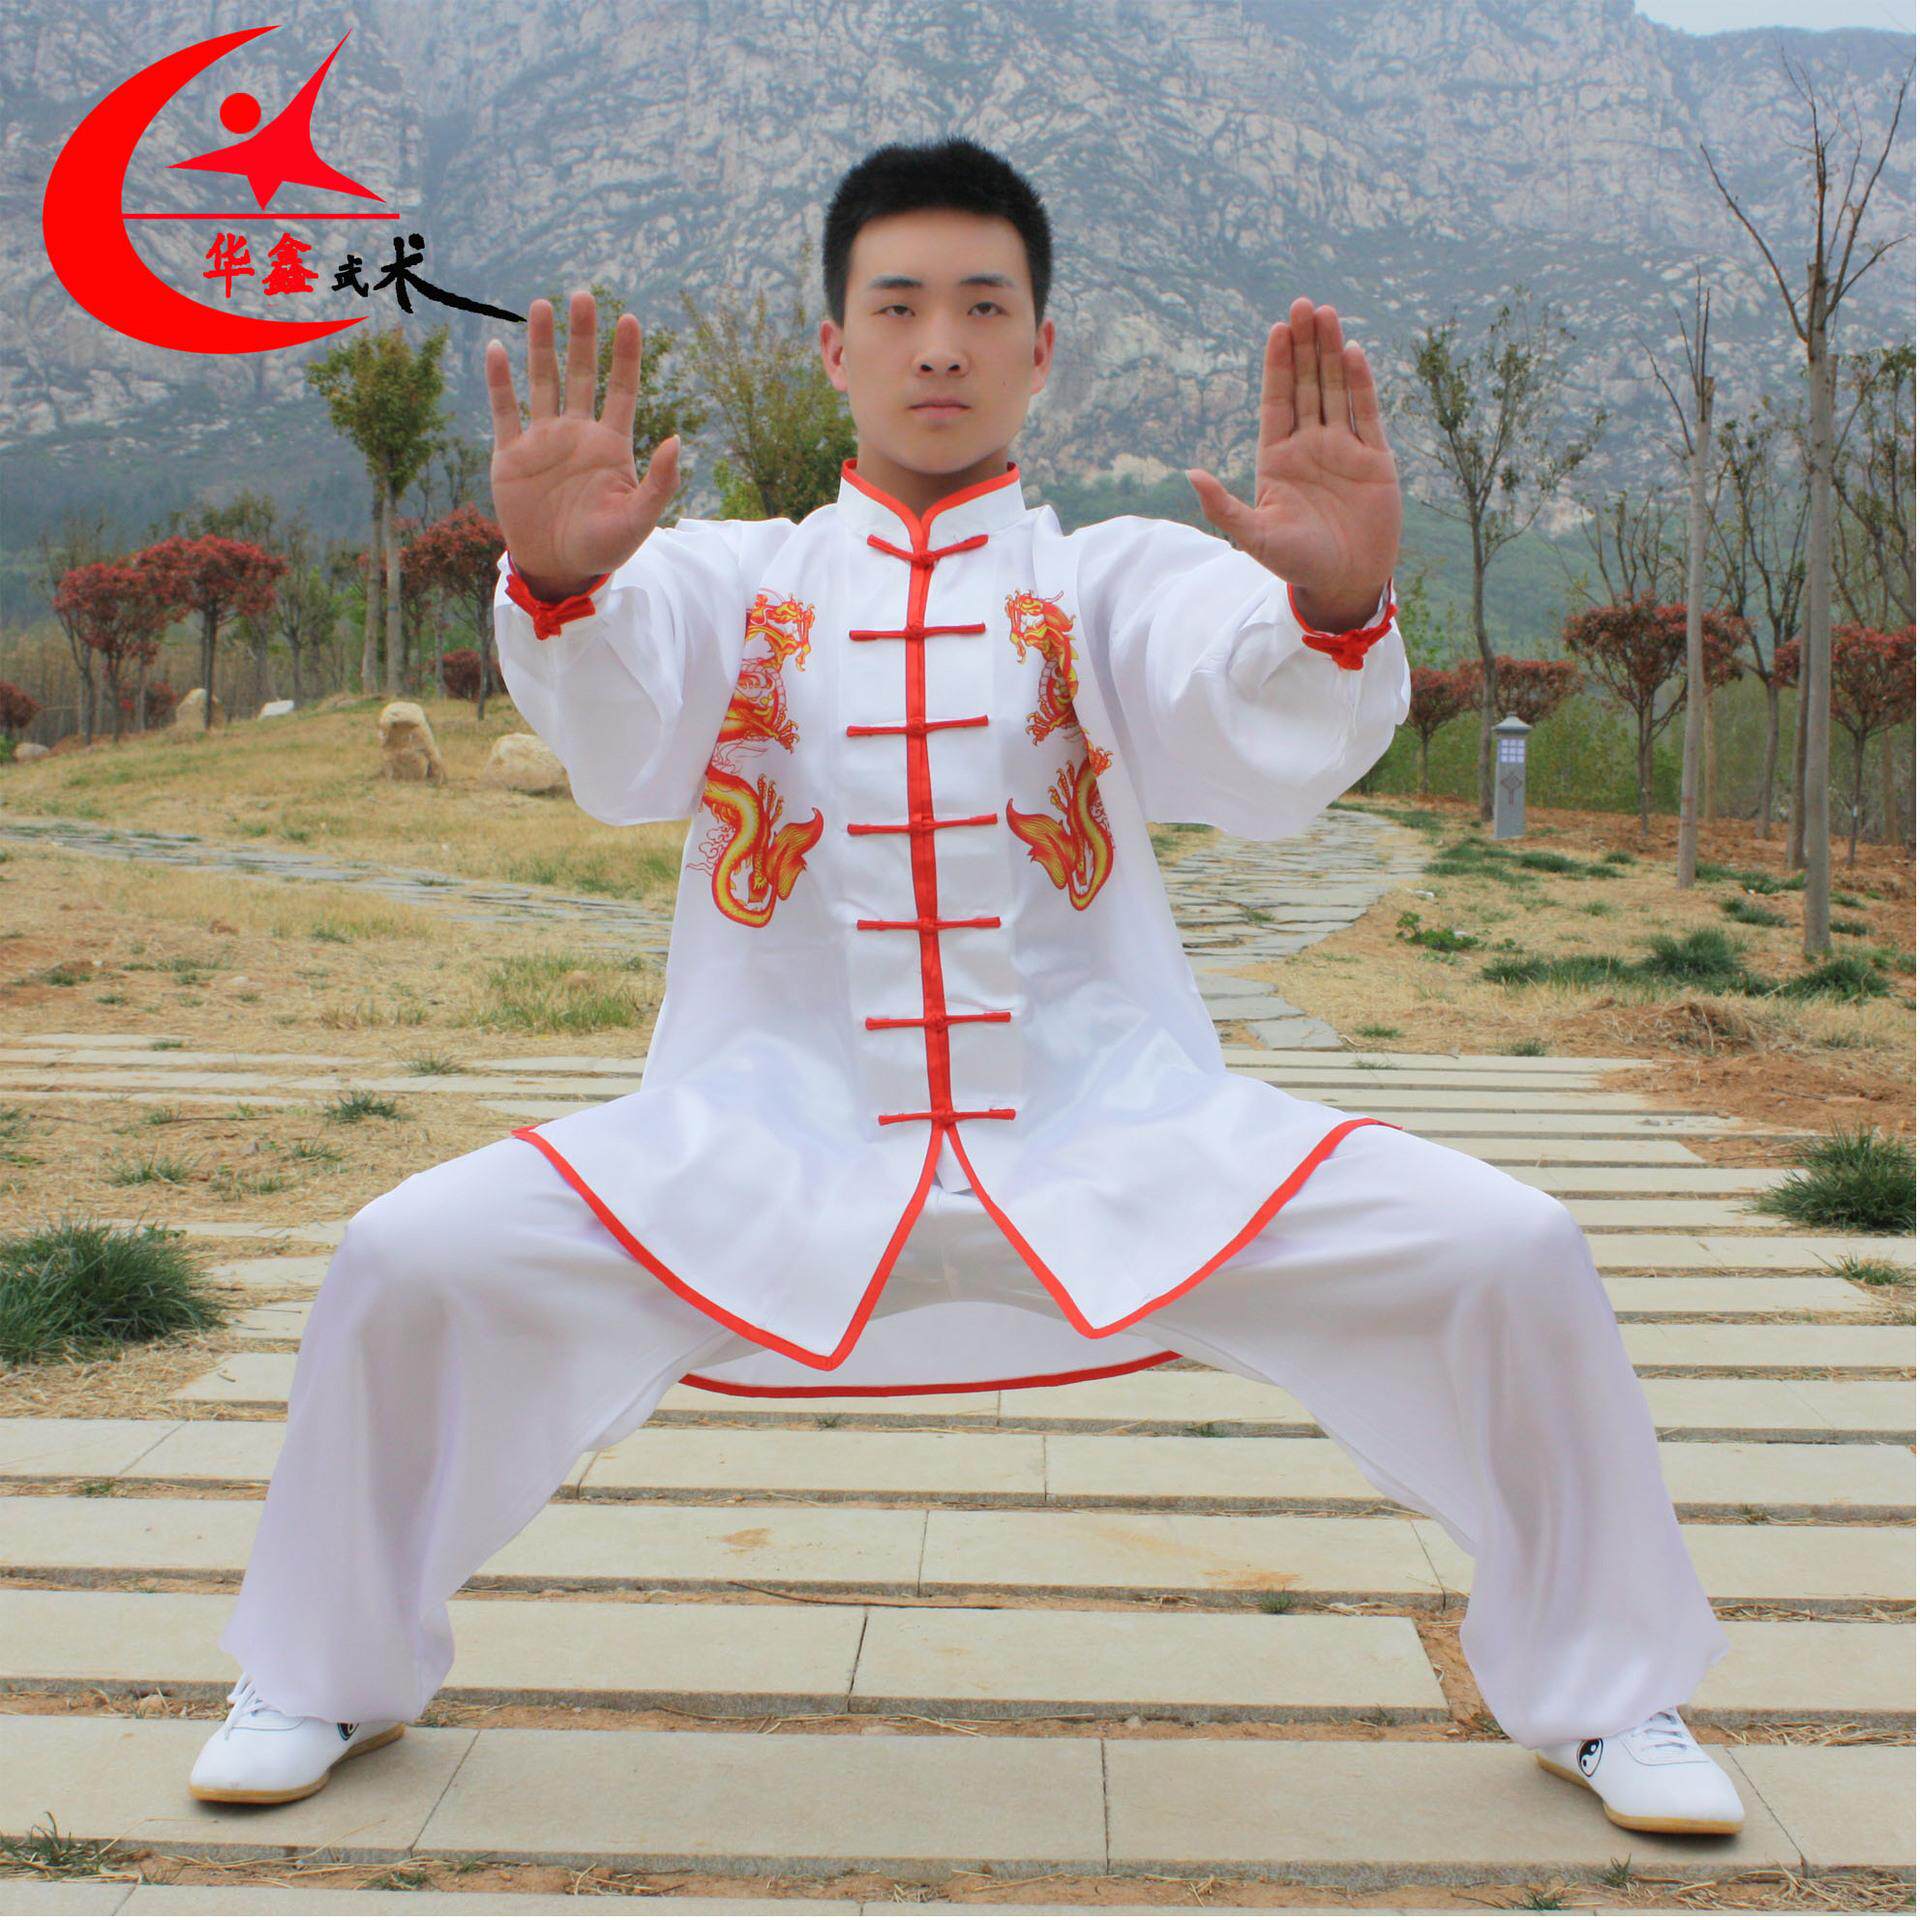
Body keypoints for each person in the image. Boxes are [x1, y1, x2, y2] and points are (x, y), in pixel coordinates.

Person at [191, 137, 1741, 1837]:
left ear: (1042, 349)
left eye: (985, 307)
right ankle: (322, 1671)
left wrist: (1340, 597)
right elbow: (619, 746)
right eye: (898, 305)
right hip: (765, 1142)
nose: (940, 345)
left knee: (1515, 1249)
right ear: (833, 347)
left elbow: (1264, 730)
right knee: (405, 1255)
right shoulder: (728, 578)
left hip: (1114, 1139)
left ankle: (1611, 1693)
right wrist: (563, 582)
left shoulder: (1113, 580)